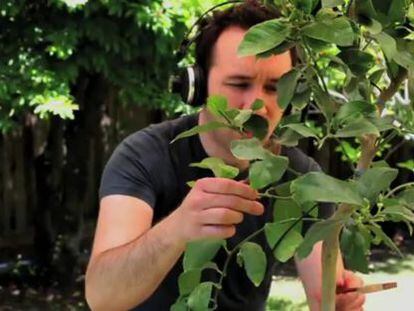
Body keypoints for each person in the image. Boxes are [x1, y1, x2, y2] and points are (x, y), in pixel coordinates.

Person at [85, 1, 366, 310]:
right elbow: (102, 297)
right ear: (197, 86)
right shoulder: (144, 156)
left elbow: (324, 295)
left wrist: (339, 300)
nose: (256, 106)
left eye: (274, 88)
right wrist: (177, 228)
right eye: (239, 84)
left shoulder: (301, 178)